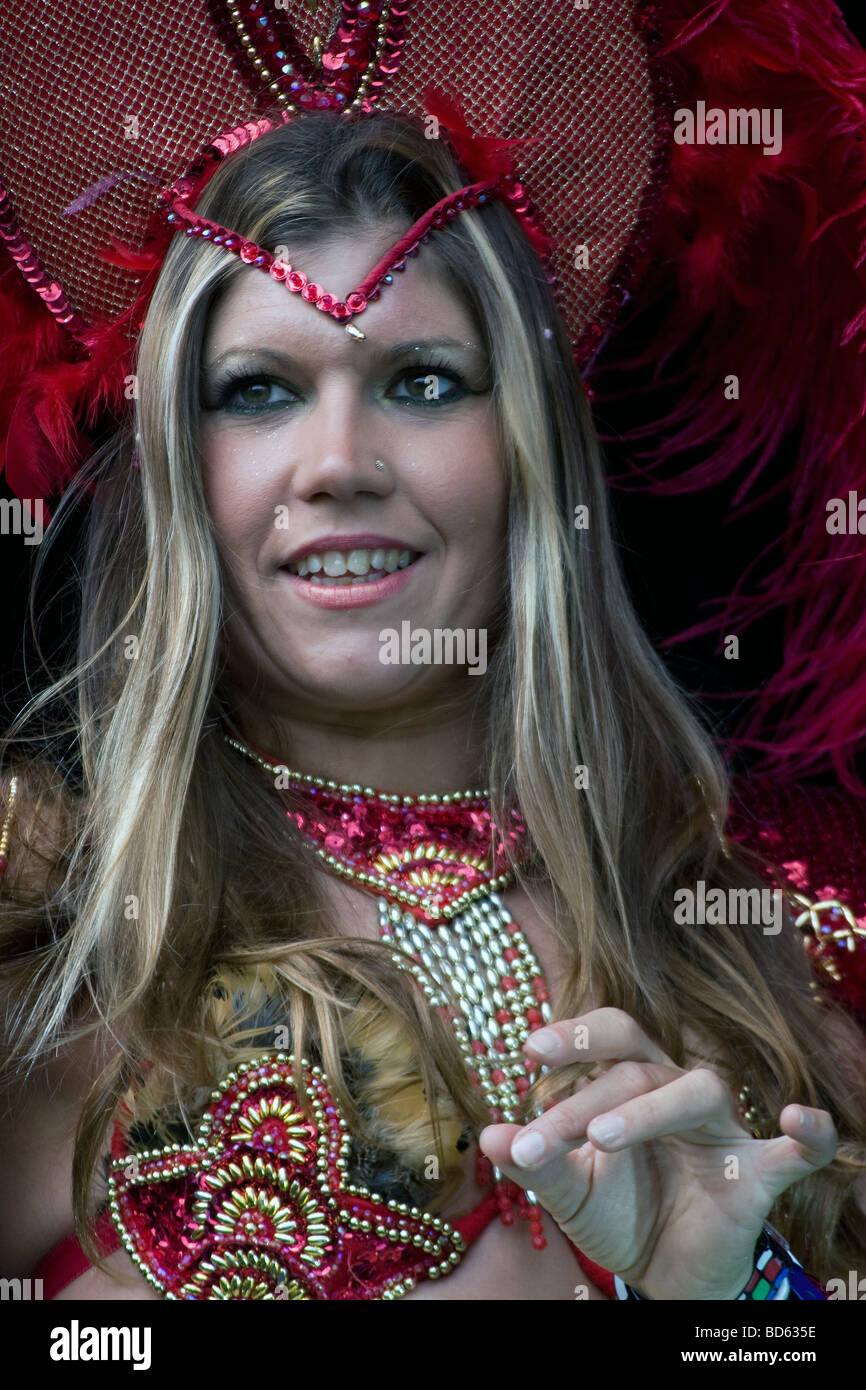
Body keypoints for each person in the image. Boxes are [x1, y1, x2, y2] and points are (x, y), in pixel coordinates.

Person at [0, 98, 864, 1302]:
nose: (341, 460)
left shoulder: (794, 938)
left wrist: (719, 1309)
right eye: (255, 391)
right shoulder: (49, 969)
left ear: (530, 448)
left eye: (420, 379)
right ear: (173, 471)